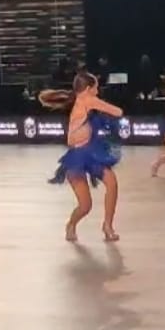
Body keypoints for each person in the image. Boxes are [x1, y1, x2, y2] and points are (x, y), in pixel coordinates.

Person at [39, 71, 123, 242]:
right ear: (87, 89)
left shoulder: (84, 100)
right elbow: (118, 111)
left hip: (91, 154)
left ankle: (107, 226)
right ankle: (71, 224)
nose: (97, 92)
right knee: (85, 206)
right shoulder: (88, 100)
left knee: (112, 183)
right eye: (96, 88)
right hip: (77, 158)